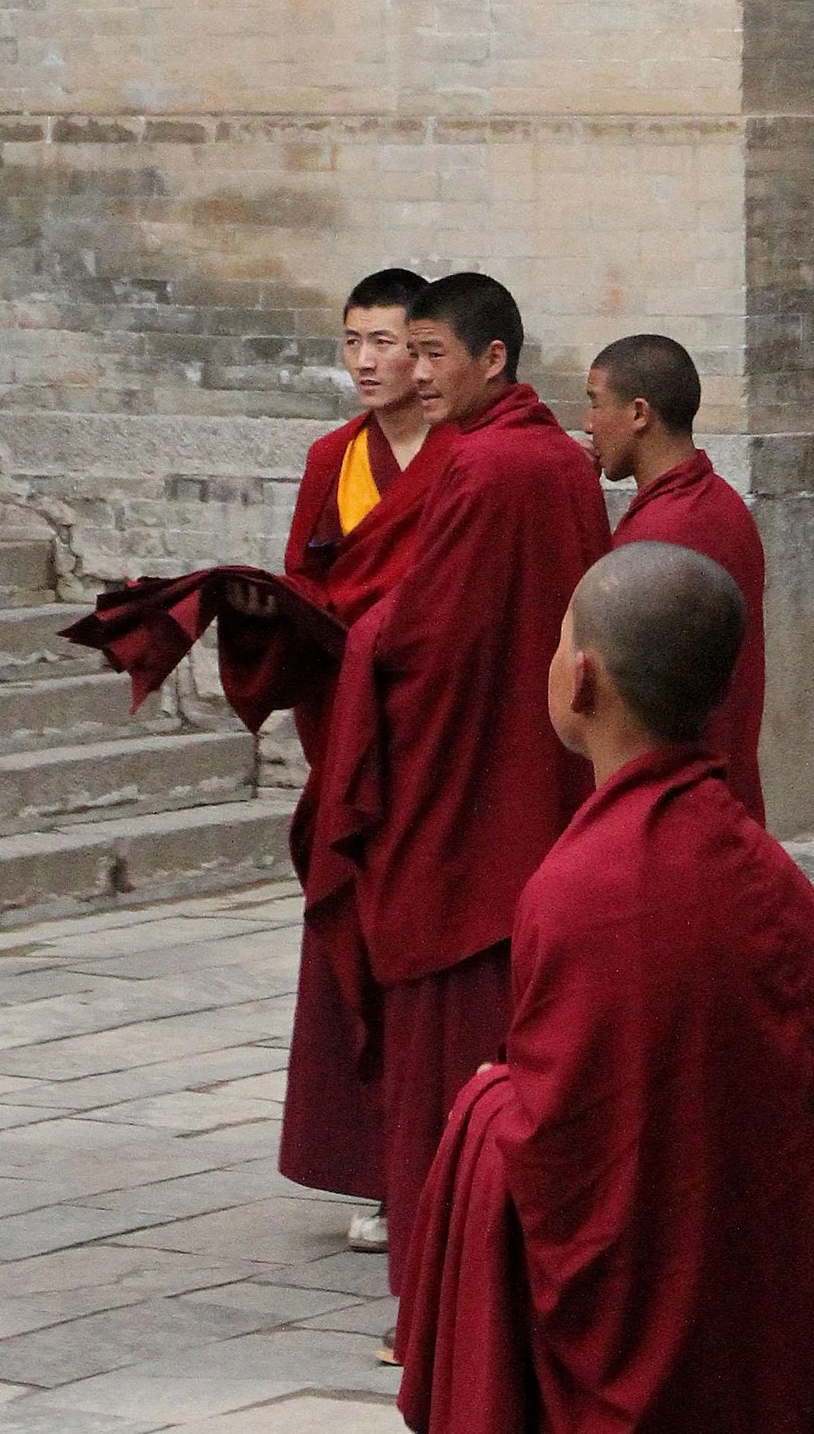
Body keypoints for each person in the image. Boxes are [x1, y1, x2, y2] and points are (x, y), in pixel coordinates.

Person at [398, 540, 814, 1434]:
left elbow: (568, 1162)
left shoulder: (582, 886)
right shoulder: (777, 878)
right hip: (764, 1333)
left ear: (582, 678)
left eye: (559, 643)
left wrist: (486, 1107)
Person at [305, 270, 609, 1306]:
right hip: (536, 767)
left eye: (434, 353)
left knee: (456, 1008)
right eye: (408, 350)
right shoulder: (561, 459)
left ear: (493, 360)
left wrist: (362, 641)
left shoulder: (483, 466)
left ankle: (452, 1241)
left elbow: (425, 630)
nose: (413, 371)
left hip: (460, 791)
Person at [249, 266, 445, 1251]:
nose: (367, 360)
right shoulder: (334, 457)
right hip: (350, 736)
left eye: (387, 339)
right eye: (352, 339)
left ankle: (428, 1163)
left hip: (437, 740)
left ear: (430, 349)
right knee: (354, 943)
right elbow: (305, 586)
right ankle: (372, 1163)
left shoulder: (464, 459)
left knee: (429, 958)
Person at [585, 332, 768, 821]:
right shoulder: (724, 505)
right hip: (725, 786)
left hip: (673, 801)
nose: (588, 425)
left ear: (639, 413)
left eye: (596, 404)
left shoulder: (663, 531)